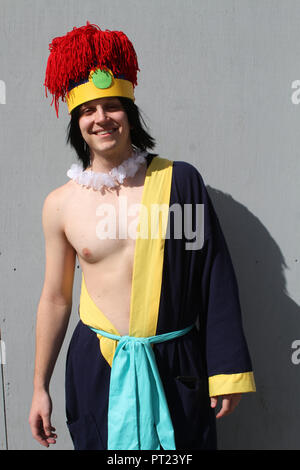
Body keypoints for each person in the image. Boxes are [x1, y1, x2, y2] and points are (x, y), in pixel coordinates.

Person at [29, 22, 256, 450]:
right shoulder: (60, 204)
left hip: (175, 364)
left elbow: (214, 276)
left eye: (112, 106)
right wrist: (40, 386)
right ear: (77, 122)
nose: (101, 119)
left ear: (129, 114)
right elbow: (56, 298)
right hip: (99, 366)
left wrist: (226, 369)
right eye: (88, 110)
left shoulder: (179, 181)